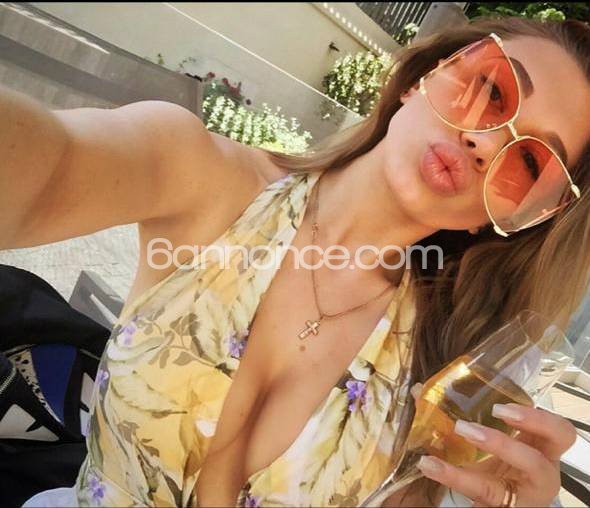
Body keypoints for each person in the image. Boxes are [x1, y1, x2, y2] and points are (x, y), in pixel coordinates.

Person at [2, 14, 590, 508]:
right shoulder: (202, 176)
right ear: (424, 77)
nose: (486, 142)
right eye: (493, 90)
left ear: (516, 217)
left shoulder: (443, 372)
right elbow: (48, 169)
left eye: (530, 163)